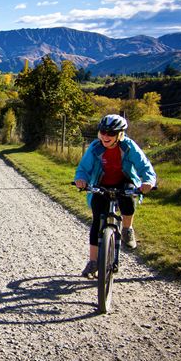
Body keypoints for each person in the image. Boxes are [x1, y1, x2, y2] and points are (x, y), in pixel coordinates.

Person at [74, 114, 156, 278]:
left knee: (127, 201)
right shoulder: (96, 147)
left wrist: (148, 182)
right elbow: (83, 167)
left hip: (123, 182)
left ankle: (127, 229)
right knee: (97, 221)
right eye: (103, 132)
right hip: (101, 184)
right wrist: (81, 179)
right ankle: (93, 262)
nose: (105, 136)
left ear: (120, 134)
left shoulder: (128, 147)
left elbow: (144, 166)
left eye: (111, 133)